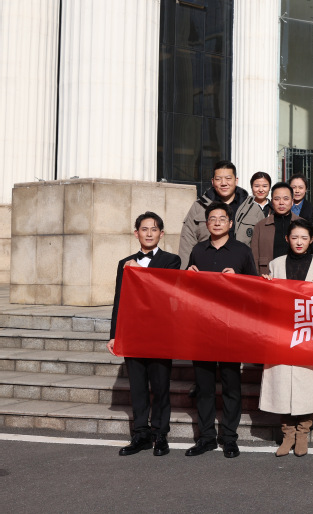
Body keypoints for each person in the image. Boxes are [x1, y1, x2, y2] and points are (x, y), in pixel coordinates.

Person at [185, 202, 258, 459]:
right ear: (206, 224)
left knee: (231, 384)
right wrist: (188, 275)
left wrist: (238, 280)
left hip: (230, 326)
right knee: (204, 385)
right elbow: (189, 290)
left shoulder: (242, 251)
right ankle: (206, 437)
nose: (217, 222)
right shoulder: (198, 250)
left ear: (230, 223)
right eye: (212, 219)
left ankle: (229, 437)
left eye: (222, 218)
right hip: (203, 326)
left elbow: (255, 288)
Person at [259, 219, 313, 457]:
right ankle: (287, 433)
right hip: (281, 331)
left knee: (307, 382)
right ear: (287, 239)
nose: (299, 242)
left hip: (309, 331)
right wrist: (266, 286)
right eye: (294, 237)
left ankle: (303, 432)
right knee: (281, 383)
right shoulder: (276, 264)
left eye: (304, 238)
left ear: (311, 240)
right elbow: (268, 300)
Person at [108, 212, 181, 457]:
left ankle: (160, 435)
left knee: (160, 386)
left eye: (154, 229)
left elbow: (163, 290)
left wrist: (137, 270)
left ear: (162, 233)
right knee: (137, 387)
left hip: (160, 333)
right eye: (144, 229)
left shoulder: (172, 260)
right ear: (136, 233)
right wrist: (114, 334)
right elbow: (119, 300)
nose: (149, 233)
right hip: (133, 332)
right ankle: (140, 434)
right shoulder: (125, 263)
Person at [178, 161, 251, 268]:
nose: (223, 183)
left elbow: (260, 247)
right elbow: (187, 242)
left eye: (228, 178)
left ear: (236, 181)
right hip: (205, 268)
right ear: (212, 181)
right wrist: (185, 271)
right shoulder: (199, 206)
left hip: (239, 271)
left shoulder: (251, 208)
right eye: (218, 179)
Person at [249, 182, 296, 277]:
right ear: (272, 201)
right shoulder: (261, 226)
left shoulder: (301, 224)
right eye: (277, 199)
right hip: (267, 277)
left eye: (286, 199)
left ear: (292, 201)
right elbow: (254, 256)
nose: (281, 203)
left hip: (295, 276)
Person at [234, 171, 271, 244]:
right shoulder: (243, 207)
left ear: (269, 187)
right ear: (251, 187)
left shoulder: (274, 208)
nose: (261, 190)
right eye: (257, 186)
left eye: (265, 186)